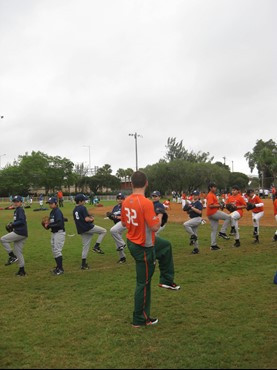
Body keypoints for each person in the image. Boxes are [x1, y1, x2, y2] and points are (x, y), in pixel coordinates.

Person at [121, 171, 180, 328]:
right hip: (143, 246)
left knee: (165, 246)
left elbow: (125, 224)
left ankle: (166, 280)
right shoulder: (146, 202)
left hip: (134, 241)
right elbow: (154, 226)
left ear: (132, 184)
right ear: (146, 183)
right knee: (143, 283)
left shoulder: (126, 201)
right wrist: (160, 215)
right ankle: (139, 318)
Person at [73, 194, 107, 270]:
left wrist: (89, 216)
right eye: (84, 200)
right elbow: (86, 219)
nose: (85, 201)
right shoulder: (82, 207)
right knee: (103, 231)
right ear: (80, 201)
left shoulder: (75, 209)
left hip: (81, 229)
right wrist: (91, 219)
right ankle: (96, 246)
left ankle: (83, 264)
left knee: (85, 246)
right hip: (88, 227)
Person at [0, 196, 28, 276]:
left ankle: (12, 256)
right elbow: (19, 221)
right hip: (21, 232)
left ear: (21, 202)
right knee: (18, 251)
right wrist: (13, 226)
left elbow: (22, 221)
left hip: (20, 232)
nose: (15, 203)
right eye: (14, 201)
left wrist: (13, 224)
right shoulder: (17, 210)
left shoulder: (20, 210)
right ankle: (22, 271)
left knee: (3, 239)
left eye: (17, 201)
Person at [206, 182, 231, 250]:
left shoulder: (212, 194)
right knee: (228, 217)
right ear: (210, 188)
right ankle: (222, 232)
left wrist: (220, 205)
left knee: (214, 230)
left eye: (215, 187)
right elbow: (210, 205)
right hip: (213, 212)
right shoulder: (210, 195)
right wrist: (220, 205)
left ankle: (213, 245)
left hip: (210, 214)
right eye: (213, 187)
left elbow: (214, 204)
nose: (215, 188)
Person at [44, 197, 66, 275]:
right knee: (54, 250)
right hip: (54, 233)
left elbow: (59, 224)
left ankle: (61, 269)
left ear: (56, 203)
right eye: (49, 203)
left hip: (59, 233)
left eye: (51, 203)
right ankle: (58, 267)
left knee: (57, 250)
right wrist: (47, 224)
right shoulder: (52, 212)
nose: (50, 205)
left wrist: (50, 225)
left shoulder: (57, 211)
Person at [109, 193, 127, 264]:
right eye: (118, 198)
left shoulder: (126, 207)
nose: (120, 200)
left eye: (121, 198)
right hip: (117, 224)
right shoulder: (115, 207)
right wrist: (110, 216)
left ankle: (123, 244)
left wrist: (116, 217)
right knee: (117, 242)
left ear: (124, 199)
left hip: (124, 223)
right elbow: (113, 216)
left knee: (112, 230)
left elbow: (125, 217)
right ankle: (122, 258)